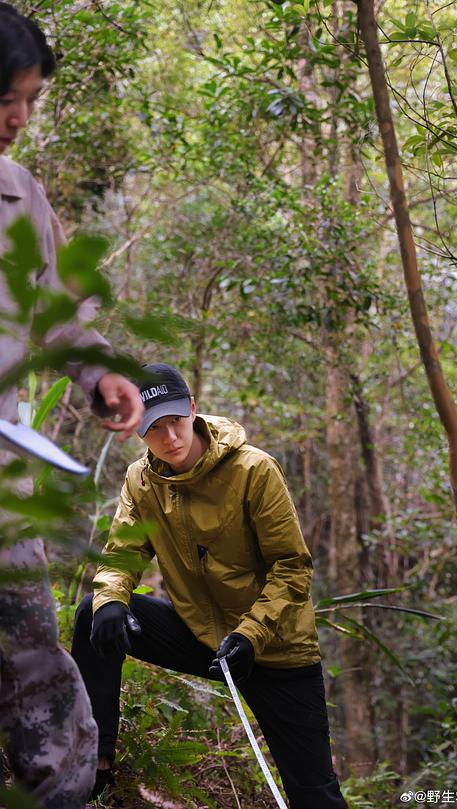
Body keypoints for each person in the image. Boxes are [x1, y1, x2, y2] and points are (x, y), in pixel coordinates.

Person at [72, 363, 348, 808]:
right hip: (202, 637)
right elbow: (122, 555)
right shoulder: (141, 480)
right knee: (94, 611)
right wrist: (111, 598)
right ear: (136, 429)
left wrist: (251, 634)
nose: (170, 437)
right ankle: (94, 766)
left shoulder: (254, 470)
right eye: (154, 427)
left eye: (176, 421)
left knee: (314, 794)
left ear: (193, 409)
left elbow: (292, 567)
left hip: (274, 649)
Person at [0, 4, 144, 807]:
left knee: (31, 654)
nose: (18, 119)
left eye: (29, 100)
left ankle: (62, 792)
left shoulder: (19, 193)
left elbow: (58, 311)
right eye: (4, 99)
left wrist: (99, 375)